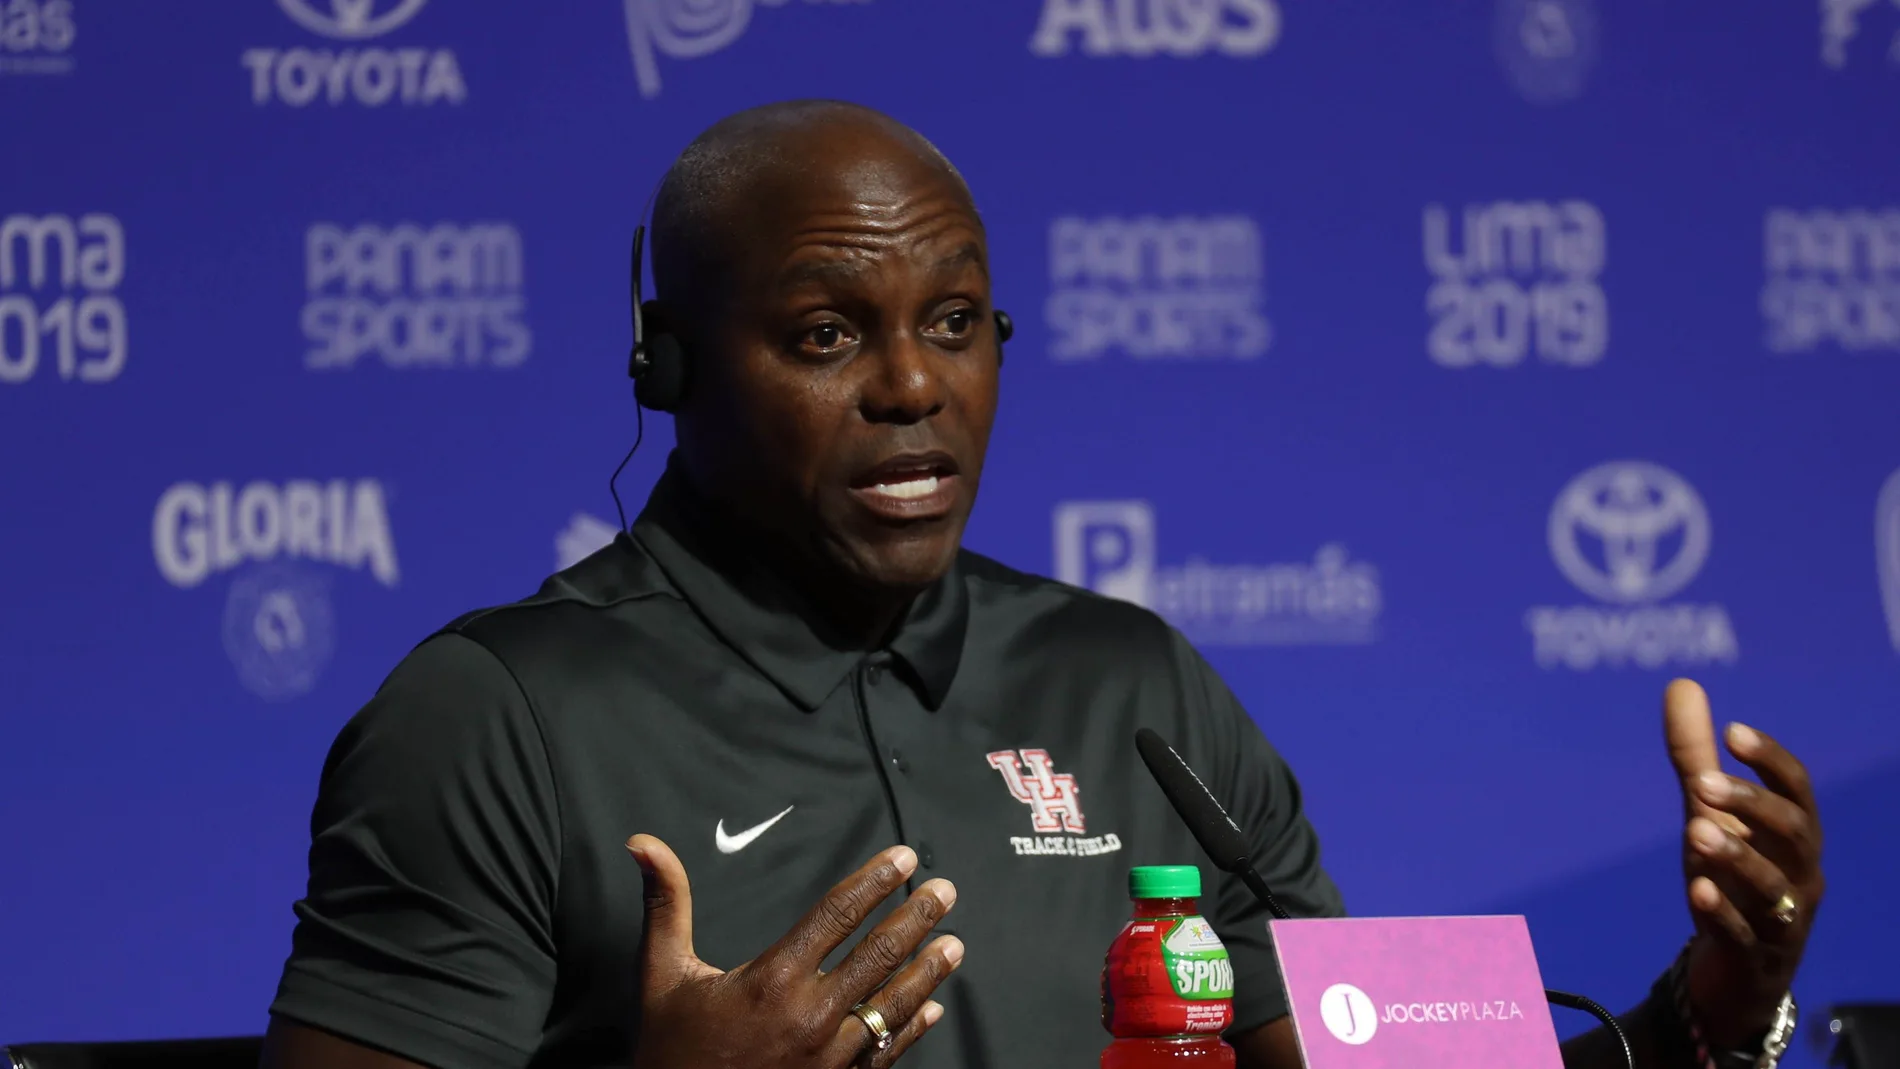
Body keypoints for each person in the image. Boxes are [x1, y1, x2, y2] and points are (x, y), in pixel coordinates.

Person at [259, 101, 1826, 1069]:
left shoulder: (1130, 683)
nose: (910, 388)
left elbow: (1392, 1058)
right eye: (825, 335)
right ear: (667, 370)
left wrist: (1713, 998)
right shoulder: (495, 713)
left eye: (955, 325)